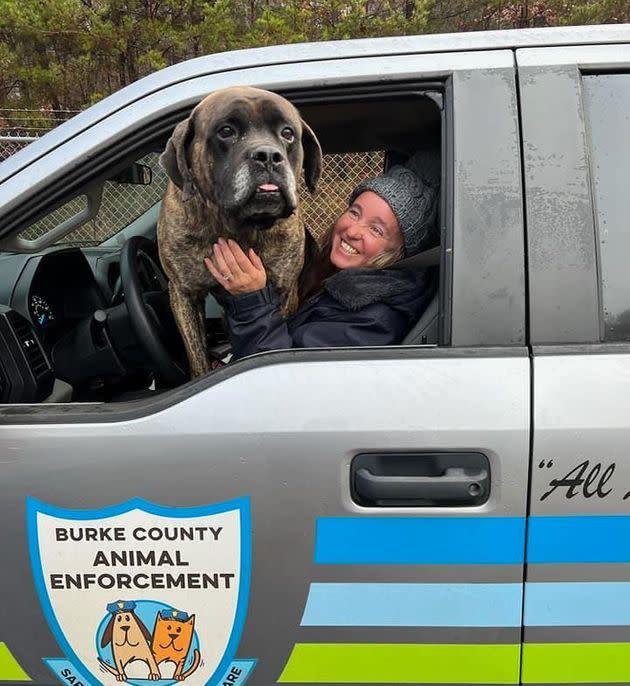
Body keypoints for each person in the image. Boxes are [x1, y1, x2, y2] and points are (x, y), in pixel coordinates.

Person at [204, 148, 440, 360]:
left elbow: (286, 378)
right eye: (355, 212)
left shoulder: (373, 322)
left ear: (399, 253)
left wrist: (252, 301)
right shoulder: (331, 274)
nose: (353, 230)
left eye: (376, 230)